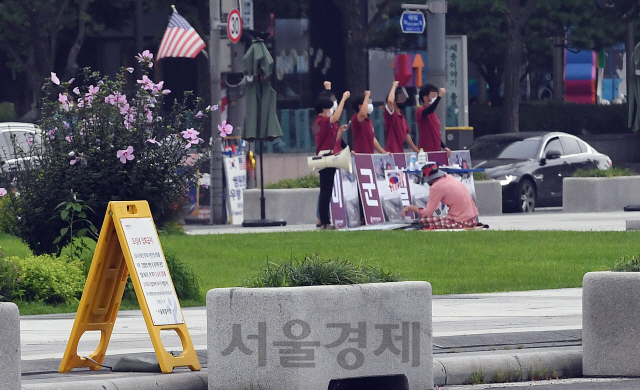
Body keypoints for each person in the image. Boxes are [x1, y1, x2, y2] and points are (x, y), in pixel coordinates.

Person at [312, 90, 350, 229]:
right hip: (326, 158)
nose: (331, 111)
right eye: (329, 108)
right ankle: (324, 221)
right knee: (325, 191)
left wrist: (339, 132)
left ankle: (325, 220)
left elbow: (332, 139)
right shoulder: (321, 121)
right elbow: (334, 118)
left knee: (327, 191)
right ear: (324, 109)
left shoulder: (323, 123)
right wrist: (343, 99)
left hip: (330, 157)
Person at [401, 163, 478, 229]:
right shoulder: (449, 177)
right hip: (472, 220)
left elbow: (427, 213)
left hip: (460, 222)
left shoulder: (436, 187)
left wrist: (411, 207)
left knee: (423, 220)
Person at [384, 81, 419, 154]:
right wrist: (394, 86)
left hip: (400, 152)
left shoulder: (402, 116)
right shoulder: (390, 114)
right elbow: (390, 101)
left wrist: (415, 149)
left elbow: (406, 134)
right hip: (391, 152)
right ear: (395, 101)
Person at [416, 84, 451, 157]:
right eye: (433, 95)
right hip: (425, 152)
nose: (435, 97)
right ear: (425, 98)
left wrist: (444, 146)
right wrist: (439, 97)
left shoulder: (434, 115)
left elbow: (436, 134)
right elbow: (429, 110)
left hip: (436, 151)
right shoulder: (420, 111)